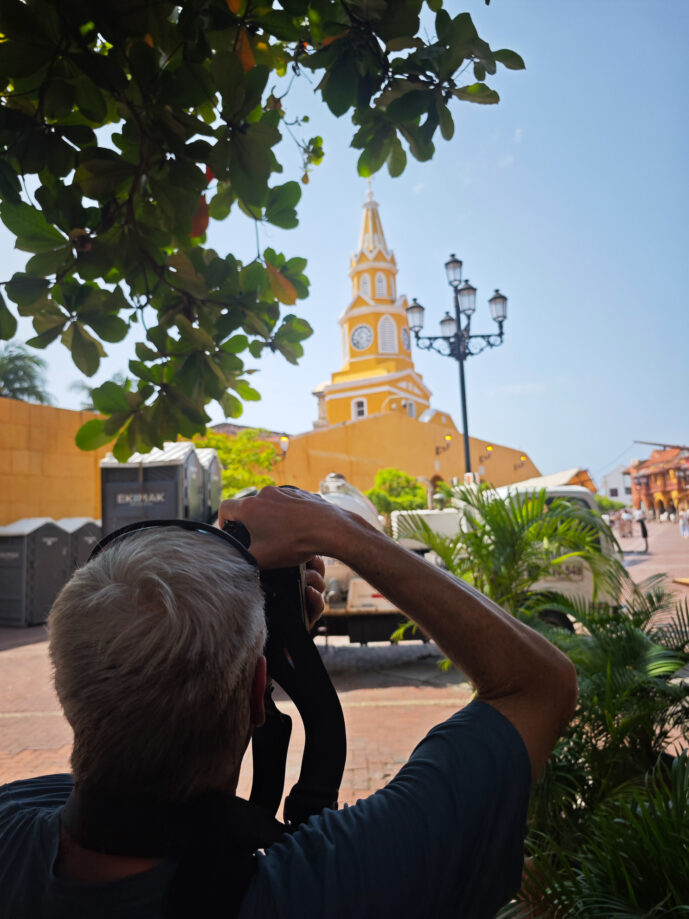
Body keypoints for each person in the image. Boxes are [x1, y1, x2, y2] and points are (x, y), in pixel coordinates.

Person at [0, 486, 577, 918]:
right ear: (259, 692)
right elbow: (539, 685)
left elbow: (132, 784)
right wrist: (346, 531)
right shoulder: (344, 881)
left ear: (66, 688)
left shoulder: (13, 827)